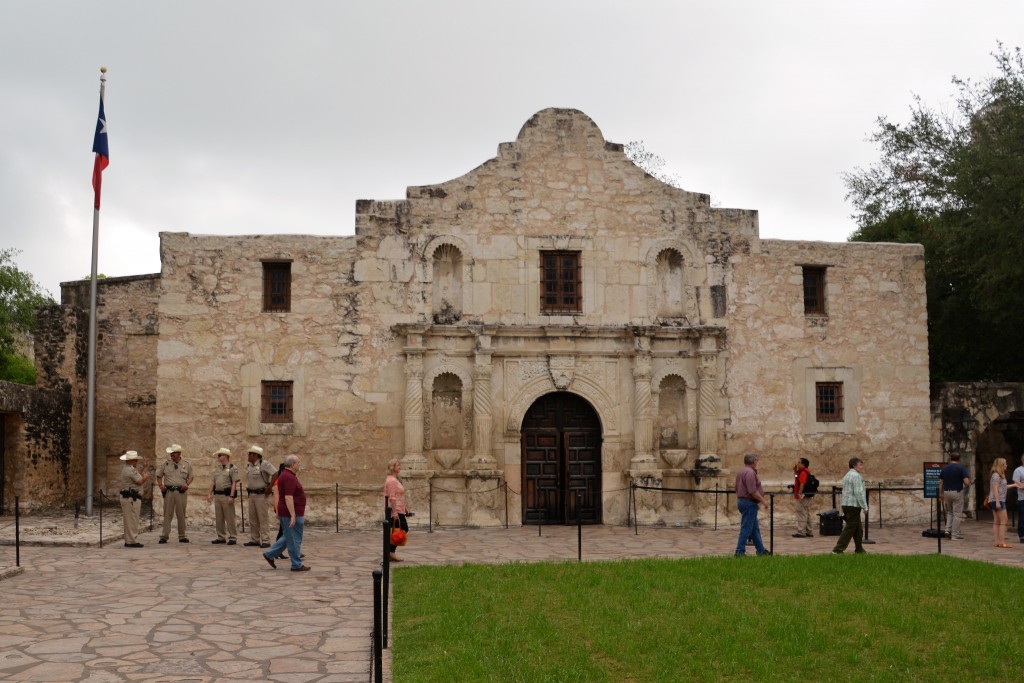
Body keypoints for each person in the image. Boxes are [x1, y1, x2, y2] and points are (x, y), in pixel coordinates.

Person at [262, 454, 309, 572]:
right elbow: (288, 497)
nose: (299, 464)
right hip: (291, 513)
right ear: (293, 465)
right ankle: (296, 564)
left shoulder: (288, 475)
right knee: (293, 539)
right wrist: (293, 515)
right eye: (298, 463)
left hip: (292, 512)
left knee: (288, 537)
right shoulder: (288, 477)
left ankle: (270, 554)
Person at [156, 444, 194, 543]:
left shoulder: (186, 464)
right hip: (169, 492)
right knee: (167, 514)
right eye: (171, 453)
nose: (172, 455)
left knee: (181, 514)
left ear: (179, 454)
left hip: (181, 492)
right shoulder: (165, 464)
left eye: (174, 453)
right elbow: (159, 475)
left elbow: (191, 476)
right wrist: (160, 485)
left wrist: (187, 484)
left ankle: (182, 535)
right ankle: (164, 536)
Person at [734, 454, 770, 556]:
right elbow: (752, 491)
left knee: (754, 529)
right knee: (746, 528)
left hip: (742, 501)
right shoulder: (750, 473)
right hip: (749, 503)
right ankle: (739, 551)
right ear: (754, 461)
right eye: (757, 461)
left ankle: (761, 550)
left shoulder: (741, 471)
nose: (757, 462)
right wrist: (763, 501)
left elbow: (736, 488)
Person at [832, 458, 868, 554]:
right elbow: (858, 492)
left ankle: (859, 549)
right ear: (854, 465)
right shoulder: (856, 476)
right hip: (853, 505)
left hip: (846, 504)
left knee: (858, 529)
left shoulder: (847, 475)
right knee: (850, 528)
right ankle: (838, 549)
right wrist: (865, 506)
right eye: (860, 464)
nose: (862, 467)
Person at [243, 445, 276, 548]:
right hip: (252, 494)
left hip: (261, 495)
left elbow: (275, 473)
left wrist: (270, 487)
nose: (248, 455)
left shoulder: (264, 464)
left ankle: (266, 539)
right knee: (253, 518)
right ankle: (255, 539)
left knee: (263, 518)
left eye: (250, 454)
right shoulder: (250, 466)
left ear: (255, 455)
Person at [207, 447, 240, 545]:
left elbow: (234, 483)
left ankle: (233, 537)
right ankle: (221, 536)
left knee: (230, 517)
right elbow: (213, 482)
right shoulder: (218, 469)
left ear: (226, 456)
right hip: (218, 495)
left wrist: (231, 496)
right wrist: (209, 493)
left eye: (220, 455)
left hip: (227, 495)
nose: (218, 457)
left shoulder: (233, 468)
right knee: (219, 517)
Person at [118, 450, 149, 548]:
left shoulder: (128, 469)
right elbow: (139, 480)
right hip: (131, 498)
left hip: (130, 498)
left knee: (130, 519)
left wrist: (143, 467)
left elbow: (135, 475)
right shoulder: (130, 470)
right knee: (132, 519)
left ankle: (130, 540)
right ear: (132, 460)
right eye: (136, 460)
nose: (137, 462)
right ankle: (131, 541)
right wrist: (145, 477)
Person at [938, 453, 970, 540]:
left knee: (950, 512)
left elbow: (941, 482)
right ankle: (955, 535)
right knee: (957, 514)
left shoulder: (944, 468)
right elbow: (966, 482)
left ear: (950, 459)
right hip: (957, 492)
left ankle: (947, 530)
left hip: (946, 492)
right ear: (959, 459)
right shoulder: (961, 468)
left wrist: (940, 494)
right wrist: (967, 483)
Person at [384, 459, 409, 562]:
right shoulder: (392, 481)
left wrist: (405, 508)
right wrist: (394, 512)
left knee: (396, 531)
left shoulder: (395, 479)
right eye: (397, 465)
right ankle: (391, 552)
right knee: (402, 529)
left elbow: (399, 496)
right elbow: (392, 497)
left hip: (399, 509)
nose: (399, 466)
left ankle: (390, 552)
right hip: (395, 510)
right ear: (392, 467)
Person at [990, 457, 1011, 548]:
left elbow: (1002, 487)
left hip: (995, 500)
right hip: (998, 500)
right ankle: (1002, 542)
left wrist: (1015, 485)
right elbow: (995, 489)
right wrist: (998, 502)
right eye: (1005, 464)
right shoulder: (996, 475)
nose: (1006, 465)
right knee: (1004, 521)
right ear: (1001, 465)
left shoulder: (997, 475)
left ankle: (997, 542)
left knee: (997, 521)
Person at [792, 458, 814, 538]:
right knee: (807, 513)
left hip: (802, 496)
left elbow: (802, 483)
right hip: (807, 496)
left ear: (803, 464)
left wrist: (799, 494)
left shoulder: (803, 473)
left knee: (801, 512)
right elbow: (796, 478)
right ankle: (809, 531)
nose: (797, 463)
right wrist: (795, 471)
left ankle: (801, 532)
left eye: (799, 462)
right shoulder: (805, 471)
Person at [1013, 454, 1024, 544]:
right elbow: (1017, 482)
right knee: (1022, 517)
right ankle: (1022, 535)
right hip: (1022, 498)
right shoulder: (1018, 470)